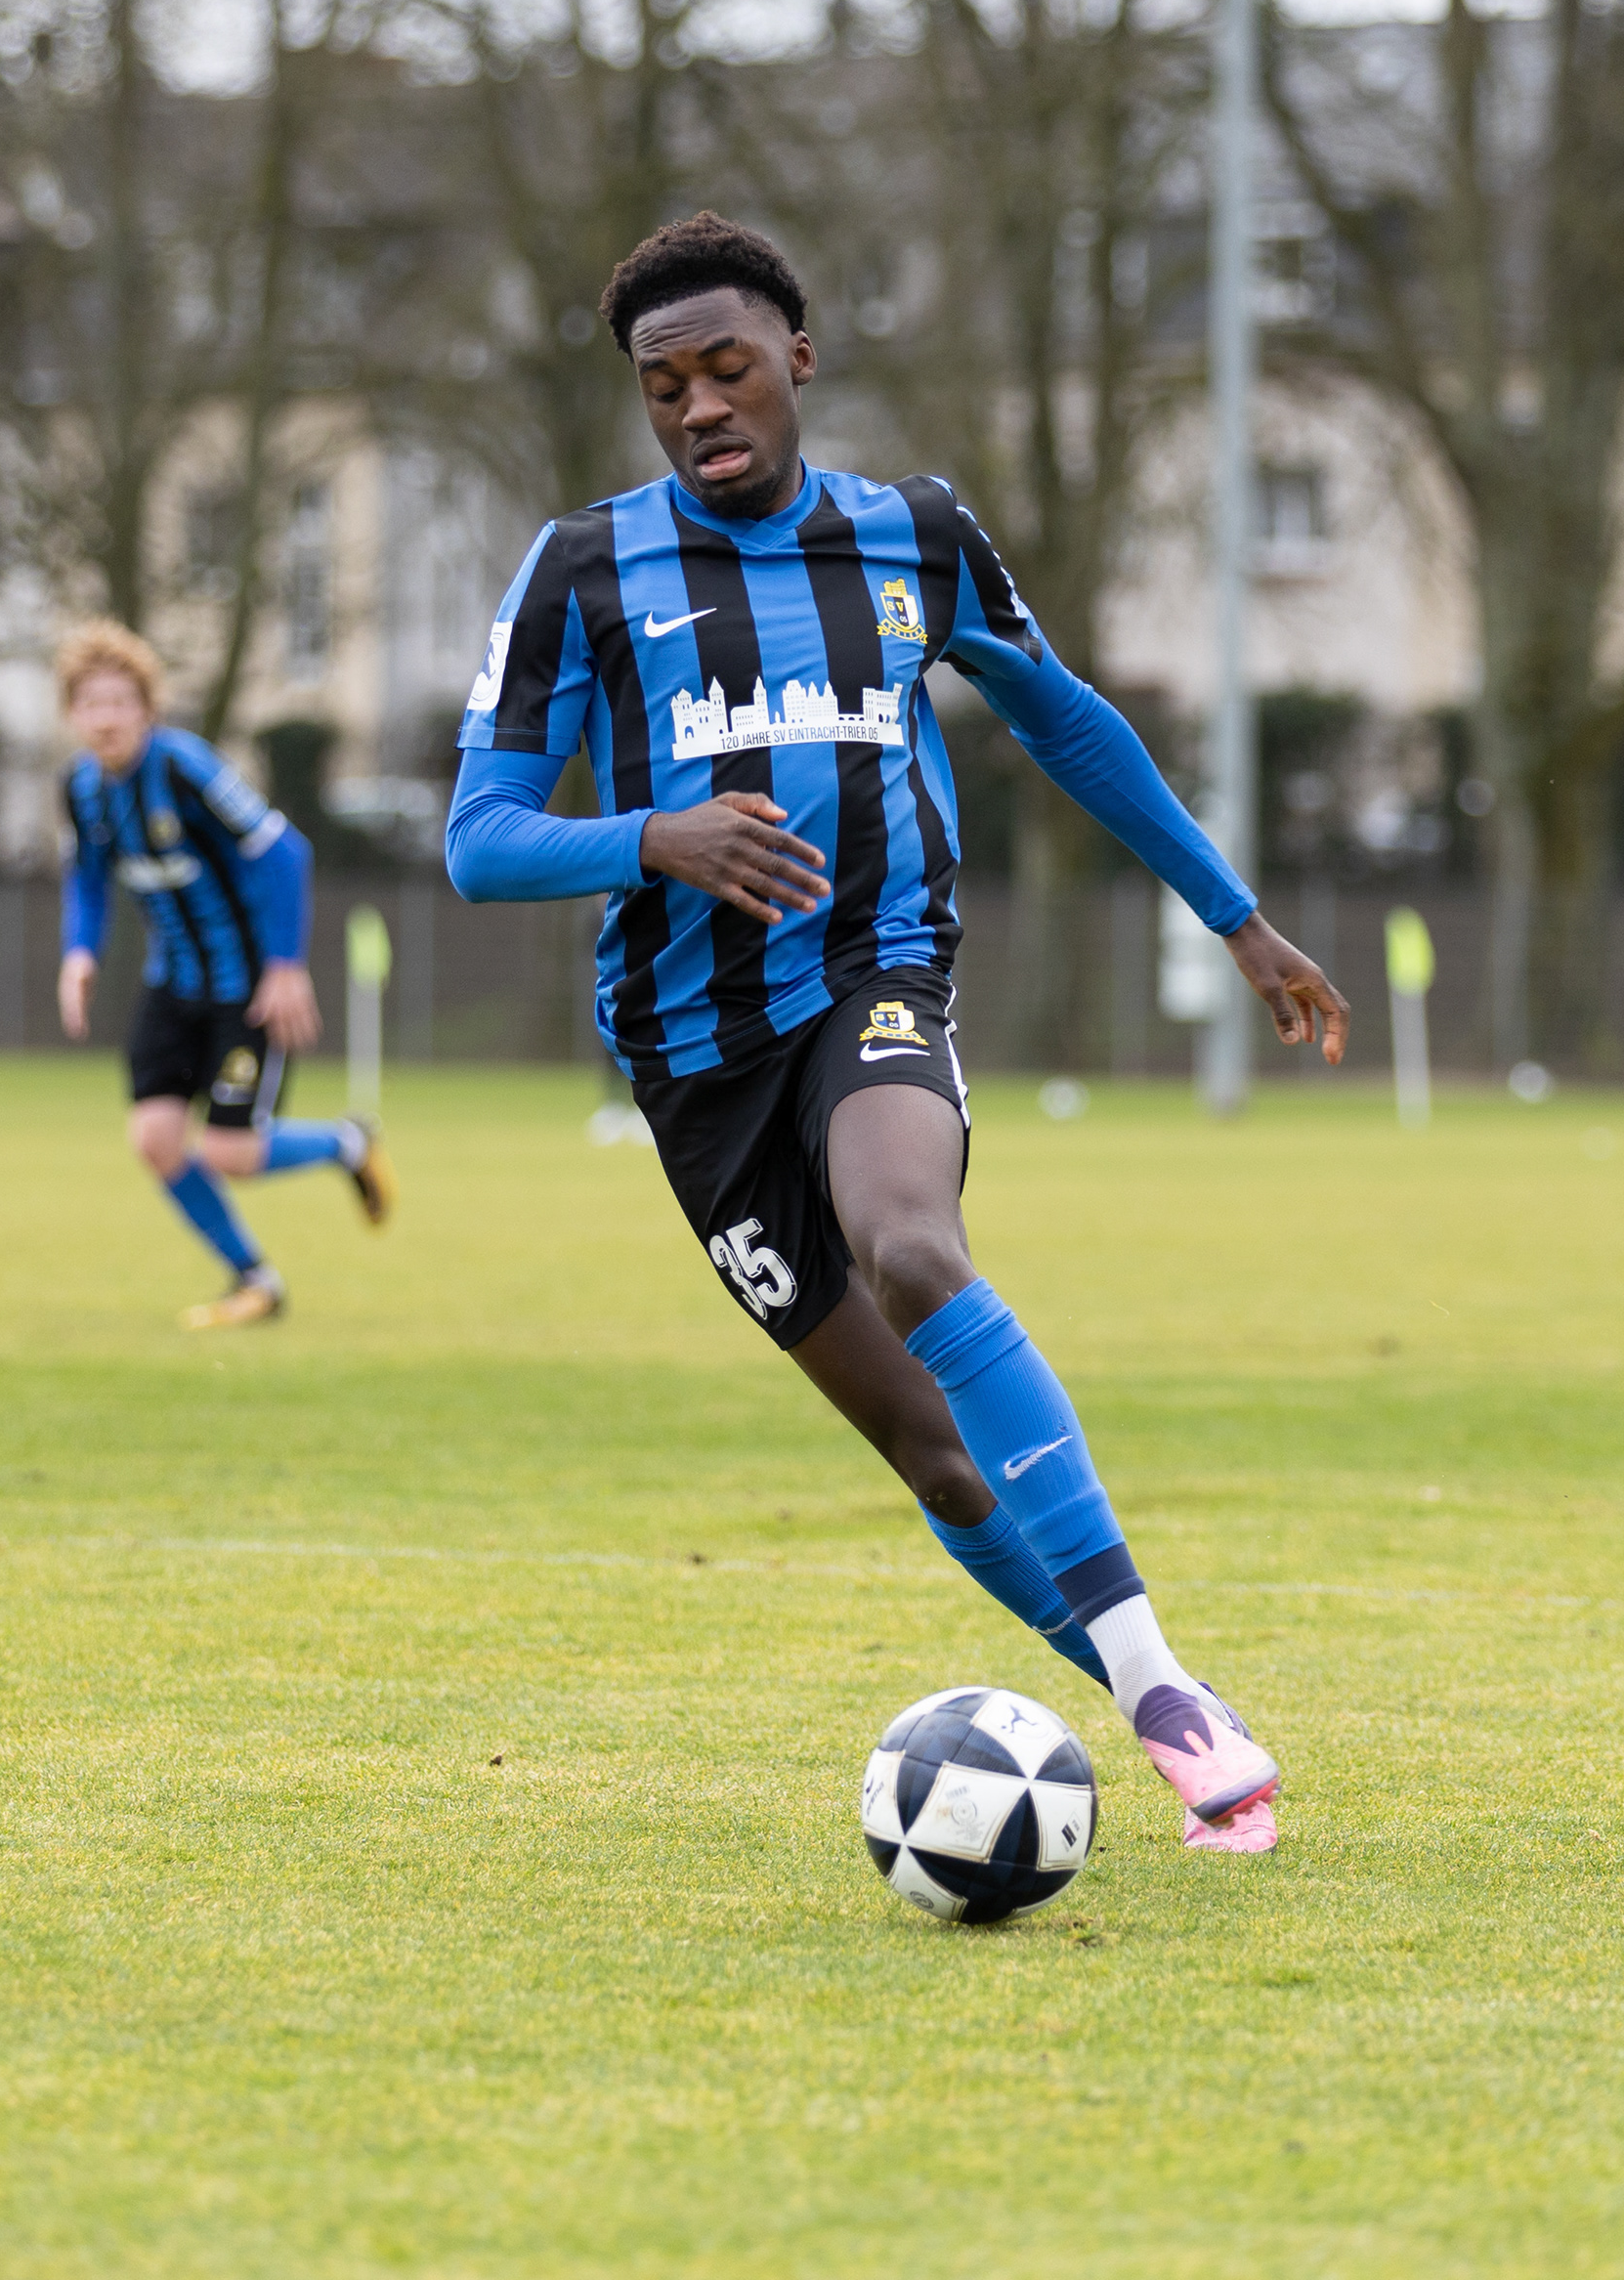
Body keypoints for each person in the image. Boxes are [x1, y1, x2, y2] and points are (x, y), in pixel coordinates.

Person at [446, 213, 1348, 1853]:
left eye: (729, 369)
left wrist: (1236, 917)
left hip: (878, 971)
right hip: (693, 1063)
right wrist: (654, 838)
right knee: (938, 1463)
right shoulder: (582, 571)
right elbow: (480, 839)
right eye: (665, 387)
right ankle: (1153, 1682)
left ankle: (1159, 1693)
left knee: (914, 1247)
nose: (701, 407)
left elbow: (1068, 724)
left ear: (797, 357)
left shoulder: (916, 536)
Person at [56, 620, 396, 1328]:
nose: (106, 718)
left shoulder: (186, 769)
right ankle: (255, 1281)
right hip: (172, 986)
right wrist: (80, 952)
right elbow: (87, 877)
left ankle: (349, 1143)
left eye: (119, 702)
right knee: (155, 1140)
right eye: (91, 704)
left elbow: (285, 852)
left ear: (147, 709)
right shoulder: (83, 790)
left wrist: (284, 968)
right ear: (72, 715)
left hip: (245, 990)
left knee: (230, 1151)